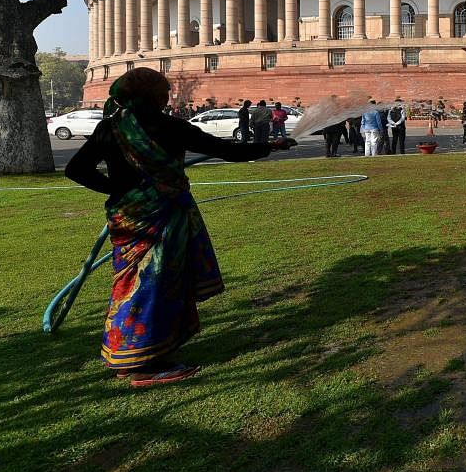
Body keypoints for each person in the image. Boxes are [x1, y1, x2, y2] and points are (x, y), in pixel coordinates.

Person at [63, 68, 294, 387]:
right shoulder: (169, 126)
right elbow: (227, 151)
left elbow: (77, 170)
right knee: (153, 285)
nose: (166, 96)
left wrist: (119, 192)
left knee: (134, 285)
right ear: (150, 96)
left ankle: (137, 352)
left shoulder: (111, 128)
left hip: (129, 216)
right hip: (161, 216)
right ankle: (141, 365)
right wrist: (273, 146)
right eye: (162, 92)